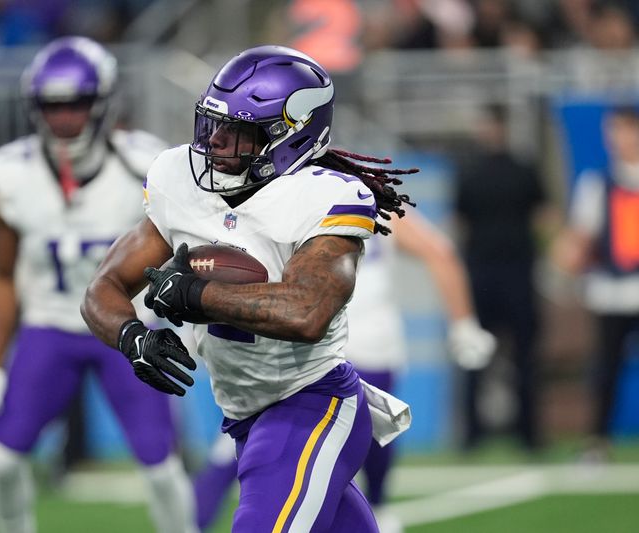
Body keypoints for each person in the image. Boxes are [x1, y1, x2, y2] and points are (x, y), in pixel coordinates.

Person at [81, 45, 415, 533]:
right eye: (213, 123)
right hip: (244, 415)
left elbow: (307, 311)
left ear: (289, 136)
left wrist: (196, 293)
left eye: (238, 130)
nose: (216, 140)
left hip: (313, 404)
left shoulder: (326, 196)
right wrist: (131, 335)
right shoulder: (180, 182)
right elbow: (103, 287)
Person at [0, 36, 198, 533]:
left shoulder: (146, 166)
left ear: (102, 103)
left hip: (126, 331)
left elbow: (189, 249)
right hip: (49, 326)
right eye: (52, 106)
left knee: (162, 469)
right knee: (2, 460)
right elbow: (3, 276)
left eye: (76, 103)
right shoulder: (11, 173)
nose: (64, 117)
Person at [192, 207, 497, 532]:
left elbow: (438, 252)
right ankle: (378, 510)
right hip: (345, 344)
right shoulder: (356, 198)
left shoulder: (300, 198)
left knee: (250, 454)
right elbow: (440, 252)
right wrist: (464, 325)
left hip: (315, 348)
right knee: (341, 465)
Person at [454, 104, 547, 451]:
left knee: (526, 357)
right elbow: (460, 221)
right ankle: (473, 435)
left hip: (517, 272)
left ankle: (529, 434)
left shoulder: (523, 170)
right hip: (483, 273)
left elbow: (542, 218)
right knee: (474, 354)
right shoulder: (470, 171)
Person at [552, 105, 639, 460]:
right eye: (612, 131)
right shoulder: (597, 183)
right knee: (606, 370)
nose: (617, 138)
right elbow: (580, 238)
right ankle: (597, 442)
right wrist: (565, 260)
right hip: (611, 292)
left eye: (624, 129)